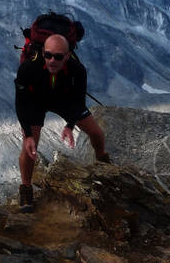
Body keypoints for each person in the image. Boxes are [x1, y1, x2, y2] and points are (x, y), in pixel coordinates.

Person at [15, 33, 109, 211]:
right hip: (36, 102)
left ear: (67, 56)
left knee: (96, 133)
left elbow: (79, 101)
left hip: (64, 101)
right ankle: (26, 190)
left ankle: (104, 165)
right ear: (43, 52)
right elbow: (20, 103)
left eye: (58, 57)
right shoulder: (28, 68)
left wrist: (70, 125)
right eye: (48, 55)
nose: (52, 60)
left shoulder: (77, 69)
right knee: (30, 147)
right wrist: (27, 134)